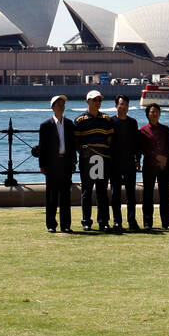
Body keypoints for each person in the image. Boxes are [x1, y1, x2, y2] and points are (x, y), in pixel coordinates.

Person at [74, 89, 114, 231]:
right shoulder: (80, 120)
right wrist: (86, 153)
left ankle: (103, 221)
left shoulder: (106, 120)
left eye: (99, 100)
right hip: (88, 160)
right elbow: (76, 142)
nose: (97, 103)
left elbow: (109, 140)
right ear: (87, 101)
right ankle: (86, 221)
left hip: (102, 159)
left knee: (102, 191)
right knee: (87, 191)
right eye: (94, 100)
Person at [37, 95, 76, 233]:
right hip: (51, 164)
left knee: (66, 196)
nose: (61, 106)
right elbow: (42, 147)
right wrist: (42, 165)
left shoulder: (70, 124)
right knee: (52, 196)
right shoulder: (45, 126)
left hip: (65, 162)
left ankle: (66, 225)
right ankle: (51, 225)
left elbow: (72, 145)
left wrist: (73, 162)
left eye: (63, 104)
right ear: (52, 107)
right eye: (58, 104)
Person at [107, 95, 142, 231]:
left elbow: (137, 143)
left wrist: (138, 159)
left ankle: (132, 221)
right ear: (116, 106)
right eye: (121, 104)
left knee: (131, 194)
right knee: (115, 194)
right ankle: (117, 221)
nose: (124, 107)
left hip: (129, 162)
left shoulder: (132, 122)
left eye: (126, 104)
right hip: (114, 162)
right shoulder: (110, 121)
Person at [139, 103, 169, 230]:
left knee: (165, 194)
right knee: (147, 195)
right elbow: (143, 148)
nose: (154, 114)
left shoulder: (165, 129)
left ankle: (166, 222)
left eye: (156, 112)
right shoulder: (143, 130)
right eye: (152, 112)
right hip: (149, 165)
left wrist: (164, 158)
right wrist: (157, 157)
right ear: (147, 114)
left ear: (159, 114)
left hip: (163, 166)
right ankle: (147, 223)